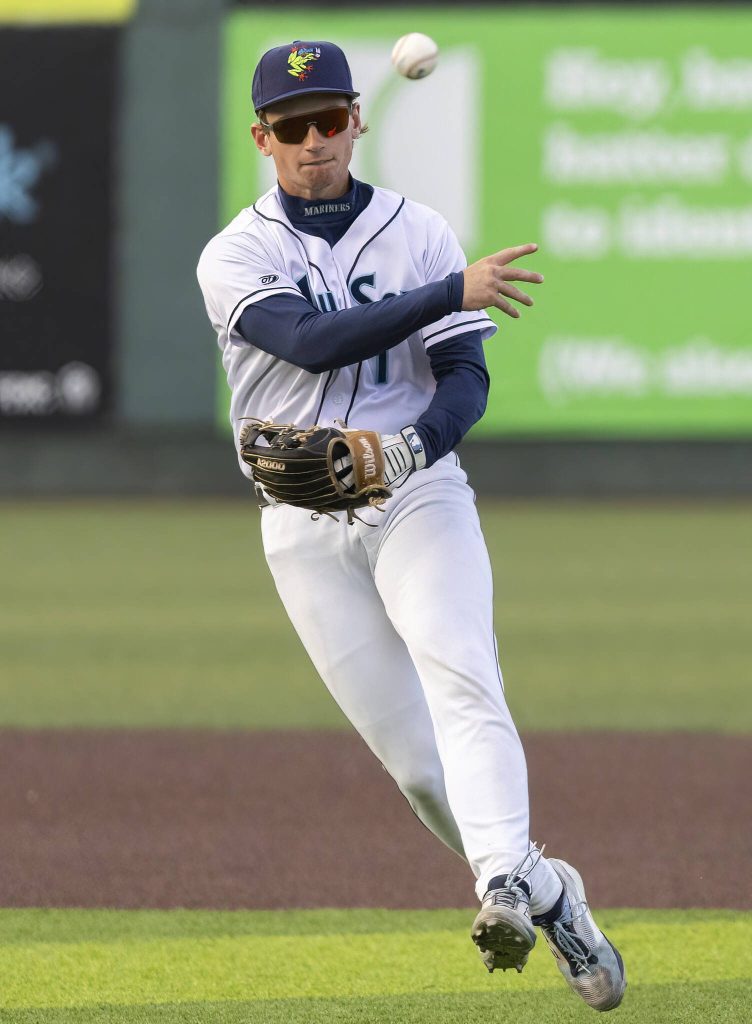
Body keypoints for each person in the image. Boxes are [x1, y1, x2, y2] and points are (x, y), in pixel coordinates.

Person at [197, 39, 626, 1012]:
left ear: (355, 118)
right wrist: (447, 290)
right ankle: (550, 886)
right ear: (262, 138)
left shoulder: (417, 228)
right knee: (419, 771)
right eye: (293, 126)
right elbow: (311, 340)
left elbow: (465, 378)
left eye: (330, 119)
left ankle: (503, 888)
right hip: (301, 520)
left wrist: (415, 448)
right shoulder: (236, 253)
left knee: (460, 664)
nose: (314, 142)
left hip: (415, 493)